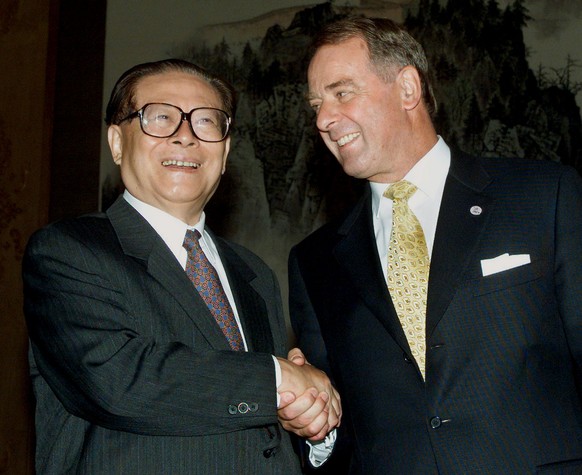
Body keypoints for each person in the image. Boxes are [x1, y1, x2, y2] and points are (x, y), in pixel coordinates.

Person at [286, 17, 582, 473]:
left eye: (342, 93)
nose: (324, 119)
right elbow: (336, 424)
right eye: (316, 104)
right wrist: (315, 429)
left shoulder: (545, 197)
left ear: (407, 88)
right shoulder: (314, 261)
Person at [23, 58, 340, 474]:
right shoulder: (68, 252)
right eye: (161, 118)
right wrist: (277, 377)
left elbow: (255, 417)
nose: (185, 137)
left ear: (224, 153)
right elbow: (117, 381)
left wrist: (312, 420)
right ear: (117, 142)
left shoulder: (253, 272)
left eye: (206, 122)